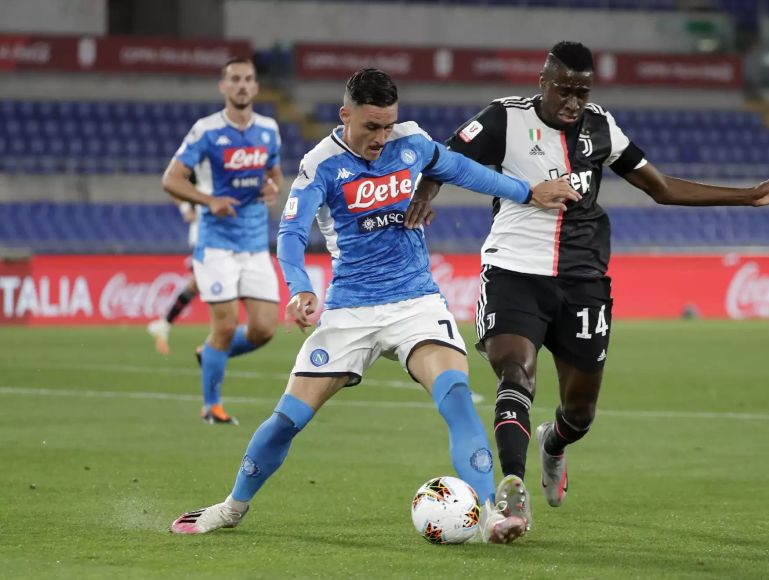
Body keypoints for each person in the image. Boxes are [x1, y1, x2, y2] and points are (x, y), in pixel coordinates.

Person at [405, 41, 769, 534]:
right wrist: (425, 196)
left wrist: (749, 196)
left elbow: (660, 187)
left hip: (583, 281)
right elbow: (444, 159)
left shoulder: (600, 126)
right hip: (513, 271)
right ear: (543, 83)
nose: (573, 103)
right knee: (516, 375)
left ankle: (554, 443)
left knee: (580, 412)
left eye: (581, 92)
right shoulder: (502, 119)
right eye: (564, 91)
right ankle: (510, 496)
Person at [169, 68, 580, 543]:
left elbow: (465, 171)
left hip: (415, 301)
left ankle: (492, 513)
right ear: (346, 115)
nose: (382, 138)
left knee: (458, 400)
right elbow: (291, 232)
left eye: (388, 125)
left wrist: (527, 192)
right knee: (287, 421)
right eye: (371, 127)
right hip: (350, 310)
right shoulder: (320, 164)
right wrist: (300, 287)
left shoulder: (412, 143)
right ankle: (231, 508)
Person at [162, 57, 284, 425]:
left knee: (264, 329)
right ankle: (211, 406)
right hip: (216, 244)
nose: (242, 85)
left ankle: (211, 352)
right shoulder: (207, 131)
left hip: (254, 242)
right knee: (226, 324)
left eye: (248, 79)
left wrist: (272, 188)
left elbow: (275, 173)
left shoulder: (269, 130)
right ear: (223, 87)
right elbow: (172, 179)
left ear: (256, 87)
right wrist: (209, 201)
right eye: (235, 79)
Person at [147, 200, 200, 356]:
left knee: (198, 284)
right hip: (205, 235)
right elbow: (173, 181)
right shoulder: (197, 176)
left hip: (216, 234)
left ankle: (163, 324)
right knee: (207, 284)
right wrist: (186, 209)